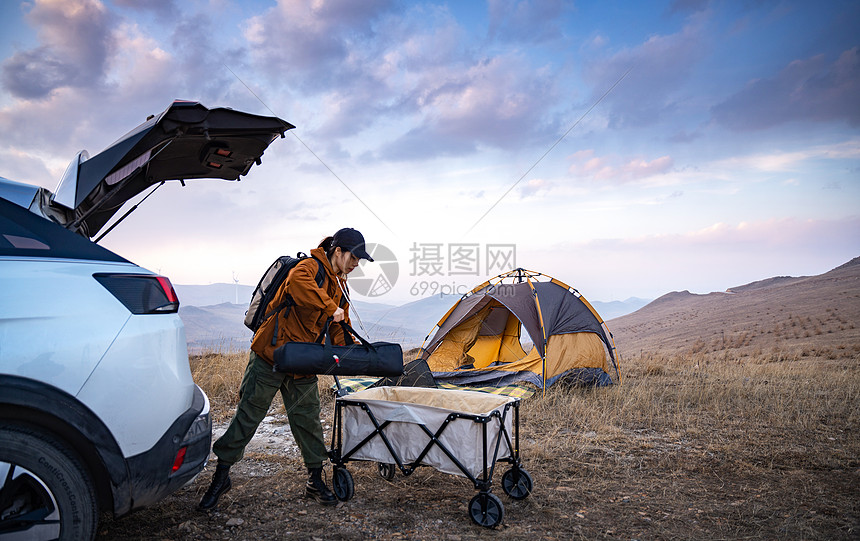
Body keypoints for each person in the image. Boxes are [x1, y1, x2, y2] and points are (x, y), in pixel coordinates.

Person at [199, 228, 374, 509]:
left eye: (360, 260)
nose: (356, 264)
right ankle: (221, 476)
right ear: (338, 251)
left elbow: (339, 328)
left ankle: (314, 481)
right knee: (248, 416)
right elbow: (297, 286)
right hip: (271, 354)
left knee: (308, 421)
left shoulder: (341, 286)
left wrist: (359, 353)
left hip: (303, 361)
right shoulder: (308, 267)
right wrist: (331, 309)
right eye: (354, 257)